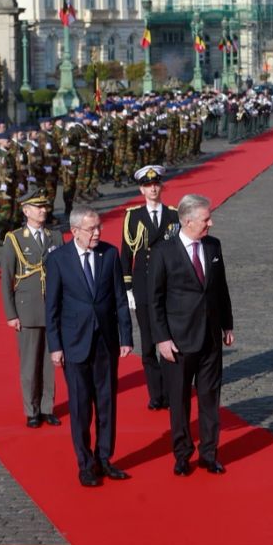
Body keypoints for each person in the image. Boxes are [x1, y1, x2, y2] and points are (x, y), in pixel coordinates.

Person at [45, 205, 134, 487]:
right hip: (74, 344)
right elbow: (53, 307)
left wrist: (127, 337)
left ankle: (105, 458)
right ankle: (85, 464)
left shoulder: (109, 254)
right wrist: (55, 346)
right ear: (75, 232)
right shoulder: (59, 259)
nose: (97, 233)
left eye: (99, 227)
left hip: (106, 343)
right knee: (82, 407)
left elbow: (120, 299)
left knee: (107, 404)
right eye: (91, 228)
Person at [148, 194, 234, 477]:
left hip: (210, 337)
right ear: (187, 221)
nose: (211, 223)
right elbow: (155, 299)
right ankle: (183, 454)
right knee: (180, 400)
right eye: (206, 219)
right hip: (178, 341)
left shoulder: (213, 245)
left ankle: (209, 454)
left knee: (210, 399)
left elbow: (220, 288)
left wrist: (227, 325)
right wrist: (161, 339)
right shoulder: (163, 251)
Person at [0, 189, 62, 428]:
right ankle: (32, 410)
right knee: (29, 364)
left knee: (50, 363)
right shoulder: (15, 239)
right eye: (38, 207)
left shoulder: (55, 237)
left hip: (52, 308)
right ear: (26, 211)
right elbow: (6, 279)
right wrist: (11, 314)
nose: (43, 210)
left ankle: (48, 408)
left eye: (45, 207)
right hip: (27, 309)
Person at [120, 165, 178, 411]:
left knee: (168, 338)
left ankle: (169, 390)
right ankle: (155, 394)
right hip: (143, 284)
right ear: (141, 189)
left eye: (156, 184)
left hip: (168, 285)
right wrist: (128, 288)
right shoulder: (133, 216)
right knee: (148, 342)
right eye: (148, 185)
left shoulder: (173, 215)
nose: (153, 188)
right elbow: (126, 253)